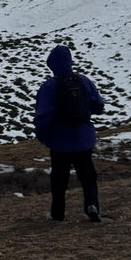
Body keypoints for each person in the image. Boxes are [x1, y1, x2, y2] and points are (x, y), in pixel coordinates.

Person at [34, 44, 105, 222]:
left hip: (60, 141)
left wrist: (43, 136)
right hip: (83, 137)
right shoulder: (83, 81)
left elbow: (43, 115)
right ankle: (92, 205)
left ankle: (58, 213)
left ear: (52, 65)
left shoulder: (49, 87)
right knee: (88, 174)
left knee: (59, 177)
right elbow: (98, 106)